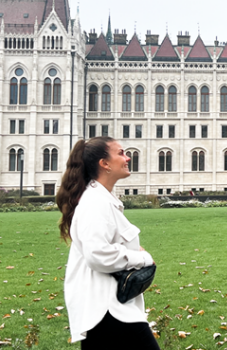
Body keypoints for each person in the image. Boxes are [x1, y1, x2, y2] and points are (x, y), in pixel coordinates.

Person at [56, 137, 159, 349]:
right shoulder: (95, 202)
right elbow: (98, 255)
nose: (127, 157)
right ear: (104, 163)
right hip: (108, 310)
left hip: (108, 309)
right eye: (120, 153)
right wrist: (143, 258)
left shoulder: (101, 200)